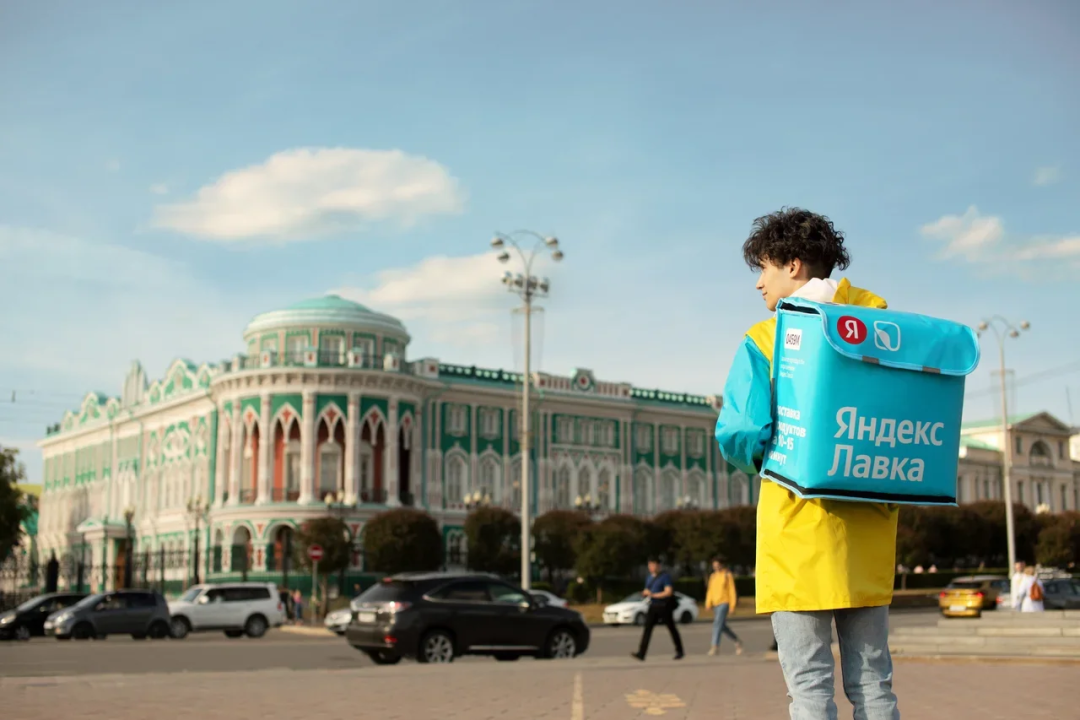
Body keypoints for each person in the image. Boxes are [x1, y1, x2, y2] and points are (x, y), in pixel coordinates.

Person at [715, 208, 900, 719]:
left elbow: (741, 432)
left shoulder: (766, 339)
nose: (759, 284)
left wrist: (758, 456)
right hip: (867, 537)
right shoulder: (883, 327)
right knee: (874, 687)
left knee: (810, 690)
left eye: (765, 268)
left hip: (797, 537)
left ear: (793, 265)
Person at [631, 558, 684, 661]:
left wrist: (654, 595)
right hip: (653, 606)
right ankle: (642, 653)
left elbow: (668, 592)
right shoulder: (649, 578)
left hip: (664, 606)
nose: (651, 567)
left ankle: (680, 651)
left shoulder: (665, 577)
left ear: (658, 566)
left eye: (653, 565)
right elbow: (648, 590)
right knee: (647, 629)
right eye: (649, 565)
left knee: (671, 628)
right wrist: (645, 593)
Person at [705, 557, 743, 656]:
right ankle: (737, 641)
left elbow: (732, 591)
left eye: (718, 565)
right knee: (721, 626)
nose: (716, 567)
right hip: (715, 604)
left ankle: (715, 646)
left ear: (722, 565)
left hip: (724, 603)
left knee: (717, 624)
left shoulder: (727, 575)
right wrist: (708, 603)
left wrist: (732, 606)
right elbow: (710, 590)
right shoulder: (713, 576)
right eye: (714, 566)